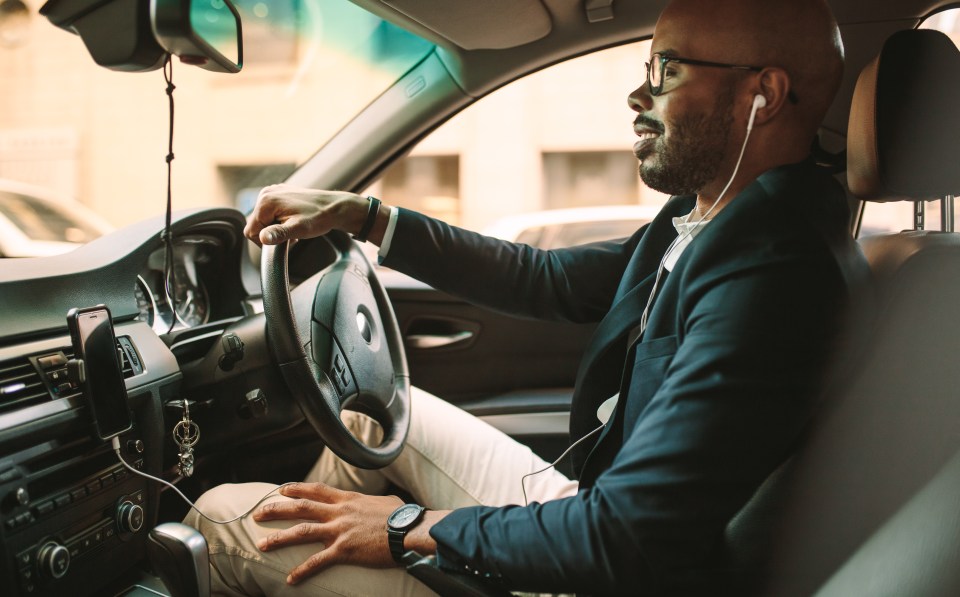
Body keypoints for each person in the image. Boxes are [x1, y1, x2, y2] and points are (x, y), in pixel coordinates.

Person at [185, 0, 868, 594]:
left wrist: (404, 530)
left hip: (604, 569)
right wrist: (366, 216)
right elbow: (546, 278)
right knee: (371, 417)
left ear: (765, 94)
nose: (639, 95)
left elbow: (625, 539)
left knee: (221, 520)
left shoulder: (772, 269)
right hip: (589, 512)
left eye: (667, 69)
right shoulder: (720, 216)